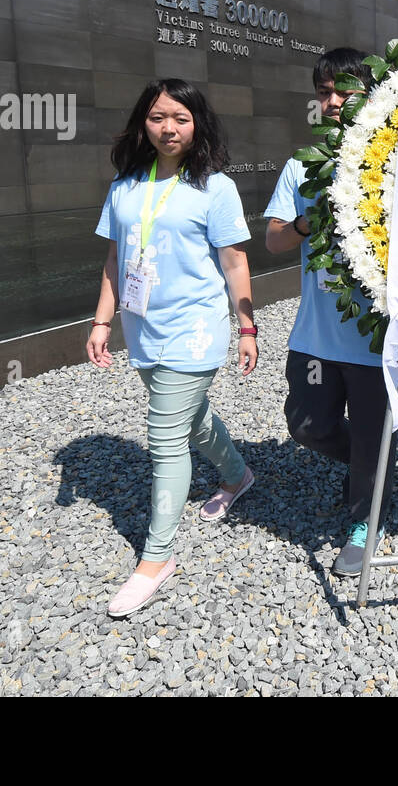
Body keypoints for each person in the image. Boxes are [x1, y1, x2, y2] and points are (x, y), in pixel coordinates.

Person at [88, 79, 258, 618]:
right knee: (191, 418)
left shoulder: (215, 187)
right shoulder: (125, 186)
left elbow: (234, 263)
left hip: (197, 328)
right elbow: (116, 261)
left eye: (181, 119)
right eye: (159, 118)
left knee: (164, 436)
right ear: (144, 122)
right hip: (144, 327)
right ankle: (237, 475)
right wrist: (101, 321)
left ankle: (156, 560)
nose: (169, 128)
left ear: (197, 123)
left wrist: (247, 327)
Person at [264, 48, 396, 577]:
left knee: (369, 431)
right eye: (324, 92)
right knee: (306, 425)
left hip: (373, 337)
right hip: (316, 335)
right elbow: (272, 240)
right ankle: (377, 467)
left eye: (345, 90)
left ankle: (366, 520)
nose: (334, 101)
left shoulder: (397, 159)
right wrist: (304, 223)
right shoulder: (302, 166)